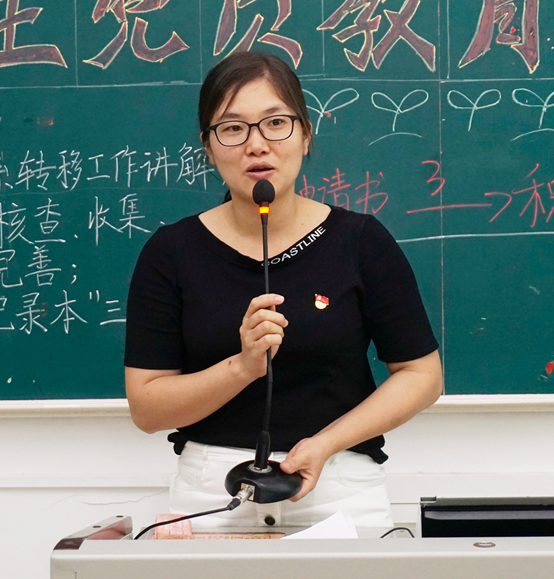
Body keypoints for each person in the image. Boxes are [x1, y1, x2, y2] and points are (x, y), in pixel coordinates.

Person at [124, 50, 441, 530]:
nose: (257, 145)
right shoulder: (171, 251)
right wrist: (242, 367)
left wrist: (326, 443)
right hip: (212, 491)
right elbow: (147, 408)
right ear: (208, 147)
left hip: (337, 485)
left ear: (306, 133)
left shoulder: (361, 241)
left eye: (276, 123)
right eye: (233, 128)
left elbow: (422, 375)